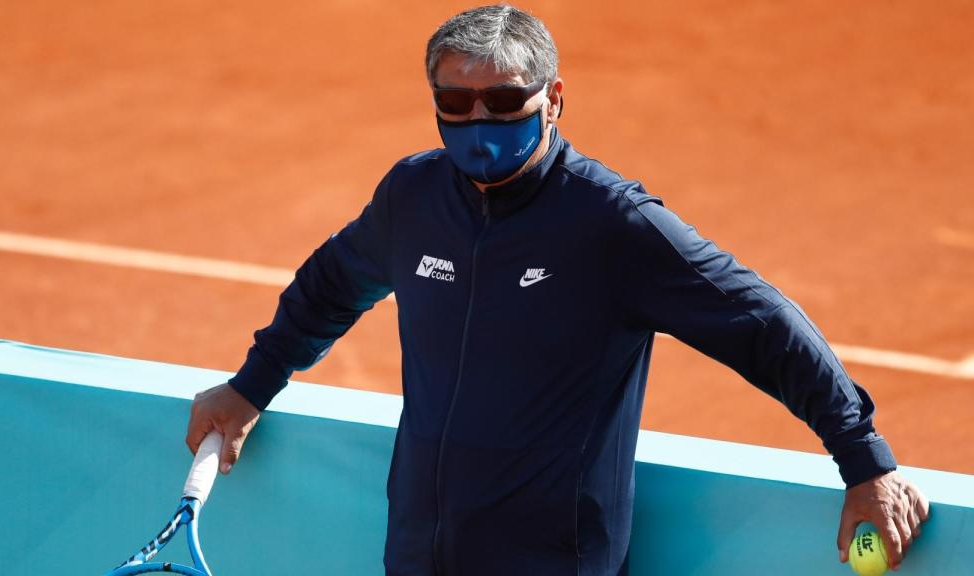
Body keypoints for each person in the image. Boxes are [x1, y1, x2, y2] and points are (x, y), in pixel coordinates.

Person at [185, 5, 929, 575]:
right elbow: (330, 286)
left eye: (505, 101)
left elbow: (761, 324)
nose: (481, 121)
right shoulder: (413, 196)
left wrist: (864, 460)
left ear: (554, 97)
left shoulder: (611, 224)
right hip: (418, 549)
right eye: (457, 102)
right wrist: (252, 386)